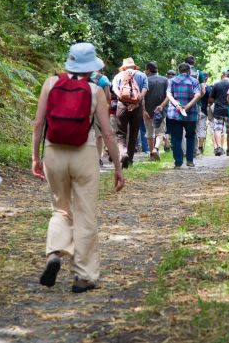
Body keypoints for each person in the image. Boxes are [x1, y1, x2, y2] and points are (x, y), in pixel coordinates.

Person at [32, 43, 125, 293]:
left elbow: (39, 123)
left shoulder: (50, 84)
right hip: (83, 153)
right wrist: (118, 167)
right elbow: (107, 133)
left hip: (53, 152)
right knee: (85, 213)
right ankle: (83, 276)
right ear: (91, 67)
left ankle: (54, 253)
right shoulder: (95, 90)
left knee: (60, 209)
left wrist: (35, 157)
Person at [112, 57, 148, 168]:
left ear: (123, 67)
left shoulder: (118, 76)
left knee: (121, 133)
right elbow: (144, 90)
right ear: (134, 66)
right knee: (133, 134)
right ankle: (130, 160)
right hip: (137, 108)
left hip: (122, 107)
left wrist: (125, 102)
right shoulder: (142, 75)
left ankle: (123, 153)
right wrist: (136, 102)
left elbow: (115, 90)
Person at [166, 63, 201, 168]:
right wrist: (188, 106)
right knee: (190, 136)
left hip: (175, 113)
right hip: (190, 114)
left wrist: (176, 104)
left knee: (176, 138)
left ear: (178, 71)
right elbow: (198, 94)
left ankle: (178, 162)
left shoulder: (172, 81)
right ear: (189, 71)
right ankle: (190, 160)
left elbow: (168, 94)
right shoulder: (194, 81)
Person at [143, 62, 169, 161]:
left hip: (148, 111)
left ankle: (151, 155)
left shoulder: (146, 80)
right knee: (160, 132)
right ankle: (156, 148)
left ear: (148, 70)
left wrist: (144, 110)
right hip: (161, 111)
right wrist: (162, 106)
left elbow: (143, 97)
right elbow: (169, 96)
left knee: (149, 133)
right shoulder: (165, 80)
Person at [210, 70, 229, 156]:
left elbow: (211, 99)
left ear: (223, 75)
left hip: (218, 110)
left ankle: (219, 148)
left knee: (217, 129)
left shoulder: (217, 85)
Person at [90, 69, 111, 166]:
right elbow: (107, 96)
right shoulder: (104, 78)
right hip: (99, 109)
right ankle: (98, 158)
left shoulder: (85, 77)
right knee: (99, 135)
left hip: (86, 109)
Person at [196, 72, 211, 154]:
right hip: (204, 111)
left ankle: (194, 147)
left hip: (195, 110)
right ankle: (200, 147)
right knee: (202, 129)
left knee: (194, 129)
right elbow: (210, 101)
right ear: (207, 78)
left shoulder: (196, 87)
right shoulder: (208, 89)